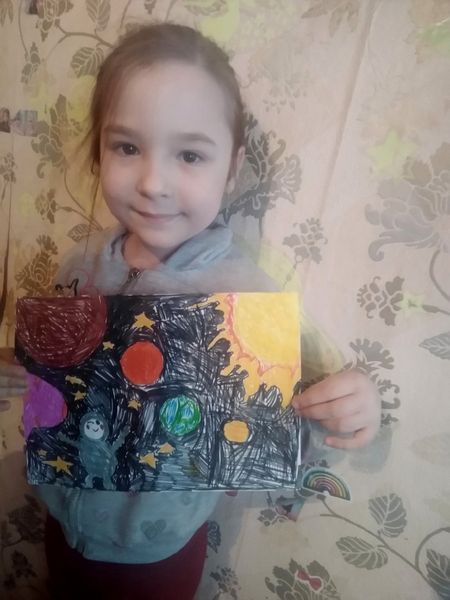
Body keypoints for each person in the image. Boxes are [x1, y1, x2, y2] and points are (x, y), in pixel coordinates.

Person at [0, 23, 380, 600]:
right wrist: (22, 367)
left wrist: (349, 406)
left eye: (190, 155)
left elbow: (285, 416)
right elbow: (63, 382)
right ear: (99, 148)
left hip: (158, 554)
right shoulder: (78, 264)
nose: (153, 183)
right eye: (127, 147)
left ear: (232, 166)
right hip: (62, 522)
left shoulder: (247, 296)